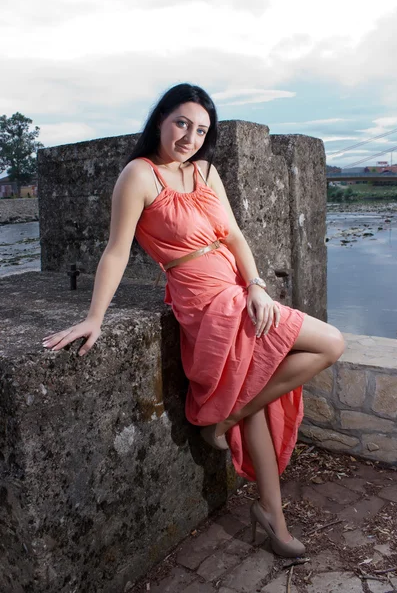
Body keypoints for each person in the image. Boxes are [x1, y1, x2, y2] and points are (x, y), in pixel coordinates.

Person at [42, 83, 345, 558]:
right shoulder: (139, 176)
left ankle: (270, 512)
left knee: (258, 397)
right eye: (182, 122)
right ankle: (225, 422)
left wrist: (257, 286)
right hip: (202, 299)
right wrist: (94, 318)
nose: (190, 136)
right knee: (331, 343)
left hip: (236, 290)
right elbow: (117, 250)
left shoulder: (205, 170)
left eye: (201, 128)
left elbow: (236, 235)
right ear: (161, 119)